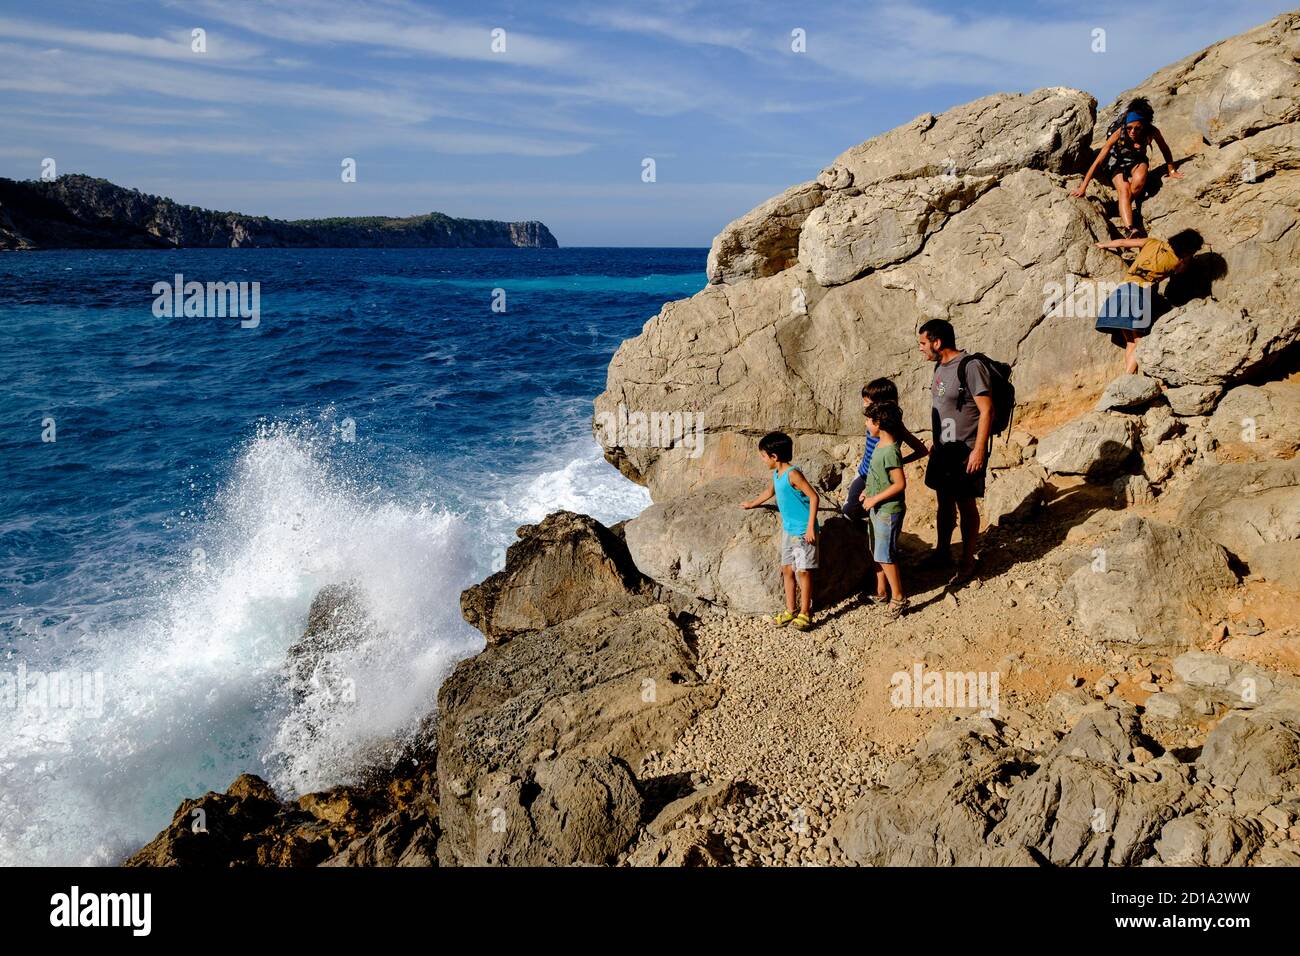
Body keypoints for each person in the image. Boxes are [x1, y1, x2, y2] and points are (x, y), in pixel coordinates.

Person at [917, 319, 993, 582]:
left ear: (937, 343)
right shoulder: (939, 366)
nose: (921, 349)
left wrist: (979, 450)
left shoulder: (971, 366)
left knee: (965, 503)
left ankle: (967, 560)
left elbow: (986, 410)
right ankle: (942, 552)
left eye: (923, 343)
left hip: (965, 450)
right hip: (943, 450)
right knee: (944, 502)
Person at [740, 431, 820, 631]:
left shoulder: (793, 474)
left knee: (803, 571)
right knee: (787, 570)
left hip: (802, 532)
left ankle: (805, 613)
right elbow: (770, 492)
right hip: (789, 531)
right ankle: (790, 609)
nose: (762, 460)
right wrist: (752, 504)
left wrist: (810, 527)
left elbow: (813, 497)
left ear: (774, 457)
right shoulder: (777, 474)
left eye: (763, 456)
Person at [1094, 229, 1203, 374]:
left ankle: (1129, 376)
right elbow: (1182, 271)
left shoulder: (1151, 241)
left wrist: (1102, 245)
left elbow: (1122, 242)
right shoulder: (1177, 262)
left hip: (1122, 290)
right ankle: (1127, 378)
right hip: (1139, 294)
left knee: (1131, 342)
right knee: (1139, 342)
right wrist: (1187, 259)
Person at [1070, 97, 1182, 238]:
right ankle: (1130, 229)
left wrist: (1171, 170)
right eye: (1129, 127)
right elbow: (1098, 161)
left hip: (1137, 160)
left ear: (1144, 126)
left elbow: (1164, 148)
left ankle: (1120, 206)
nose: (1133, 131)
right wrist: (1083, 187)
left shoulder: (1152, 132)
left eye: (1137, 128)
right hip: (1116, 162)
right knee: (1124, 189)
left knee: (1139, 182)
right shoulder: (1119, 133)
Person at [842, 377, 927, 531]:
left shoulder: (894, 427)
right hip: (863, 471)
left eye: (867, 402)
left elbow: (921, 450)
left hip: (876, 478)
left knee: (850, 511)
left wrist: (898, 462)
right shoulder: (872, 421)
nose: (864, 405)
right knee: (849, 509)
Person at [859, 401, 909, 620]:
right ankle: (882, 593)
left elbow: (899, 484)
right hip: (877, 507)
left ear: (878, 423)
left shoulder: (890, 451)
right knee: (878, 552)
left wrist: (874, 499)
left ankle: (898, 598)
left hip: (887, 510)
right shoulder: (880, 446)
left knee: (886, 555)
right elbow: (878, 475)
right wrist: (866, 493)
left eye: (869, 420)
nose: (866, 423)